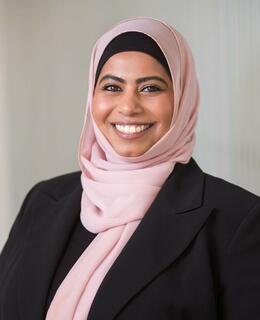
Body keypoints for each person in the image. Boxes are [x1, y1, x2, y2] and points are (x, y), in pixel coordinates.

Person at [0, 16, 259, 320]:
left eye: (150, 88)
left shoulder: (239, 220)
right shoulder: (43, 200)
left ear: (183, 98)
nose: (128, 106)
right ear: (91, 96)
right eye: (111, 86)